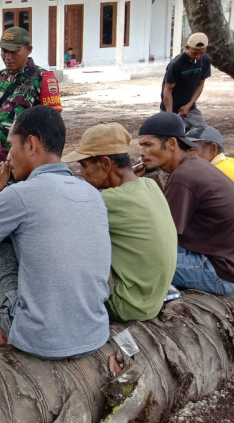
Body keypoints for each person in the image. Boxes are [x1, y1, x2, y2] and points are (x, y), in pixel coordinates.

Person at [0, 105, 110, 359]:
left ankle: (11, 330)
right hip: (94, 332)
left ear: (31, 144)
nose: (7, 157)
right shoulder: (91, 193)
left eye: (11, 146)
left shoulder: (19, 194)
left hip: (42, 340)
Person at [61, 123, 177, 321]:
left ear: (105, 164)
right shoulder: (149, 185)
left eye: (84, 165)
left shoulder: (106, 201)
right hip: (152, 300)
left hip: (127, 304)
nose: (82, 173)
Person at [137, 112, 234, 295]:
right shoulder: (195, 165)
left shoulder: (184, 176)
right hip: (229, 262)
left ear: (171, 144)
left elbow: (161, 236)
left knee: (129, 259)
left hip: (221, 273)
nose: (141, 153)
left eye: (148, 145)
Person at [0, 27, 62, 180]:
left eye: (14, 51)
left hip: (28, 164)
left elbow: (51, 125)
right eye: (4, 51)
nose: (7, 57)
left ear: (28, 49)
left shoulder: (43, 78)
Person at [161, 32, 211, 130]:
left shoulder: (206, 60)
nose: (198, 56)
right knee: (171, 134)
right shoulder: (176, 64)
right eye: (194, 53)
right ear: (187, 48)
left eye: (201, 53)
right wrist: (170, 116)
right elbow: (168, 89)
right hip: (170, 108)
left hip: (190, 107)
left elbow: (200, 84)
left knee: (202, 133)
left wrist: (189, 105)